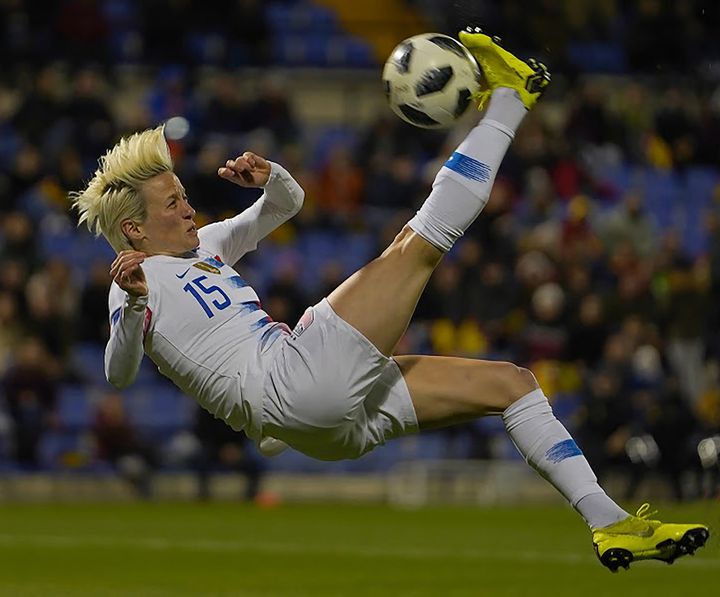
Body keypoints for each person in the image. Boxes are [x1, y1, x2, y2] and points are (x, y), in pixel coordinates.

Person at [71, 29, 708, 571]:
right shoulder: (133, 282)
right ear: (134, 229)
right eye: (173, 202)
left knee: (511, 384)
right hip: (291, 382)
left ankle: (610, 521)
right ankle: (513, 97)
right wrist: (128, 306)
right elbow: (118, 375)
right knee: (417, 245)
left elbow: (286, 208)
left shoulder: (206, 244)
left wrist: (273, 179)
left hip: (320, 426)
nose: (188, 206)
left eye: (183, 194)